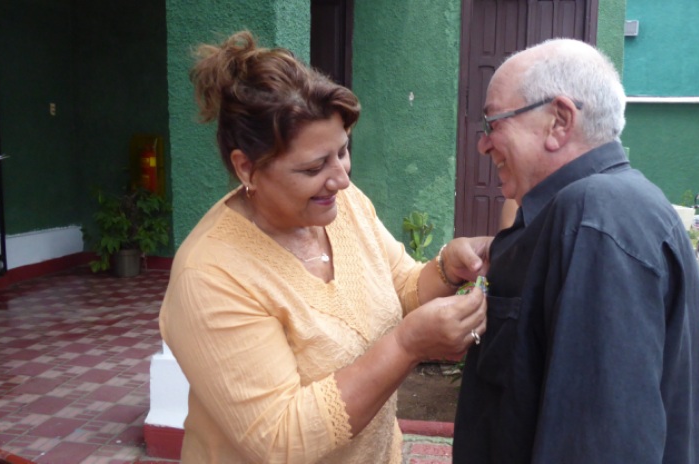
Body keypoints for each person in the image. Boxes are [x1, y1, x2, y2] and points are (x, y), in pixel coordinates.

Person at [159, 31, 490, 464]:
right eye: (315, 166)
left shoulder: (343, 206)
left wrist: (449, 267)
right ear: (247, 167)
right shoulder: (210, 275)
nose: (342, 178)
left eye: (343, 152)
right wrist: (408, 346)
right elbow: (280, 439)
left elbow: (404, 286)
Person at [452, 38, 699, 463]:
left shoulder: (597, 217)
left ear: (559, 121)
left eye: (493, 123)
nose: (483, 144)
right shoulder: (596, 210)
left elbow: (599, 446)